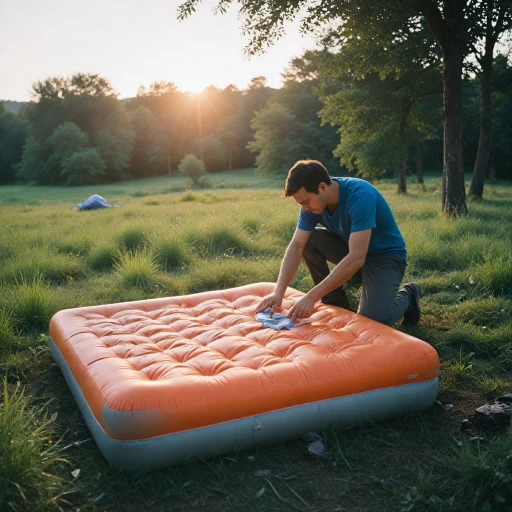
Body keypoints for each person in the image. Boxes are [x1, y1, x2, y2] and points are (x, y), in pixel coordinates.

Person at [255, 159, 421, 326]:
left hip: (386, 259)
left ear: (322, 187)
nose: (304, 208)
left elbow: (357, 257)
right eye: (301, 204)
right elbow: (297, 246)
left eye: (306, 202)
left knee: (373, 321)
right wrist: (279, 292)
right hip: (352, 252)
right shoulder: (313, 204)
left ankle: (409, 294)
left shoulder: (360, 196)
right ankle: (336, 304)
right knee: (309, 240)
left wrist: (312, 296)